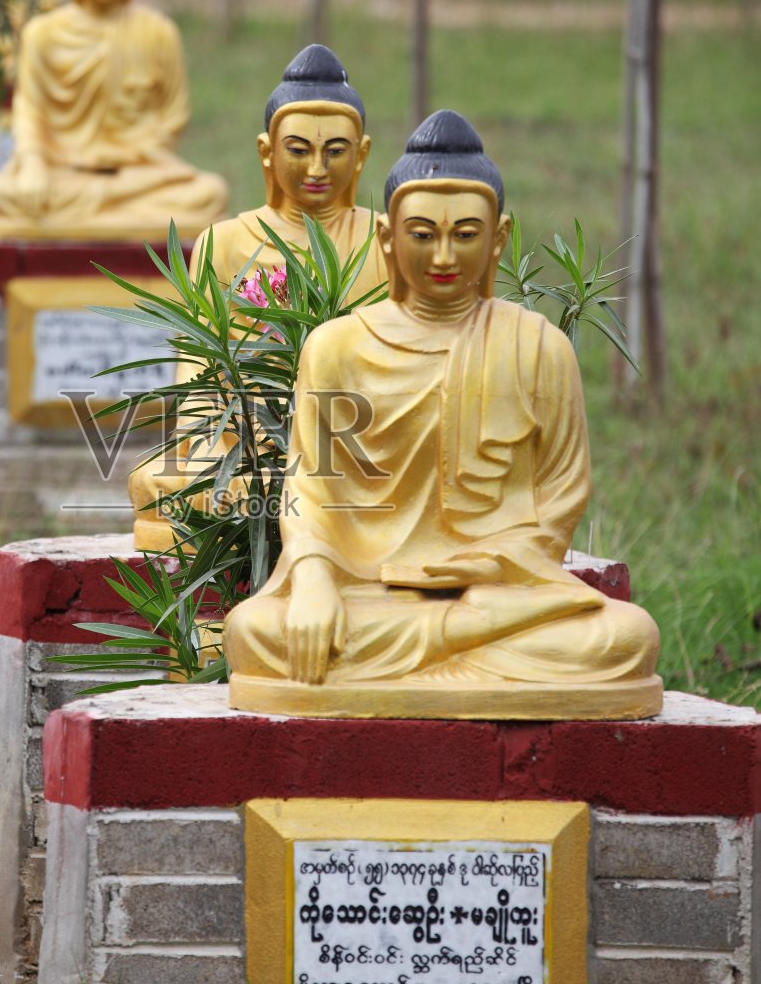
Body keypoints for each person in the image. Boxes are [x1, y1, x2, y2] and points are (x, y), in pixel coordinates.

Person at [225, 108, 662, 720]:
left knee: (623, 638)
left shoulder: (538, 347)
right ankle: (450, 657)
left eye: (465, 235)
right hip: (367, 592)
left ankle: (432, 656)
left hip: (498, 597)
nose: (443, 257)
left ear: (500, 238)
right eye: (423, 234)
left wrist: (485, 565)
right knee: (257, 632)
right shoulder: (338, 346)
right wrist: (317, 586)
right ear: (387, 237)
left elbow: (560, 497)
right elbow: (314, 494)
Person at [128, 44, 385, 551]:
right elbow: (197, 370)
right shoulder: (224, 244)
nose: (317, 168)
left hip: (358, 444)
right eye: (298, 150)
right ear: (267, 152)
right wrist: (209, 453)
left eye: (335, 151)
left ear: (362, 154)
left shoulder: (388, 242)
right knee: (158, 483)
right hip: (244, 442)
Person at [0, 0, 228, 240]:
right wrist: (34, 164)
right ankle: (107, 209)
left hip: (138, 173)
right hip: (63, 170)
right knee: (1, 194)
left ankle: (100, 208)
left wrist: (123, 155)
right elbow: (30, 108)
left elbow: (173, 116)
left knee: (209, 194)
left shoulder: (159, 32)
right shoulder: (44, 34)